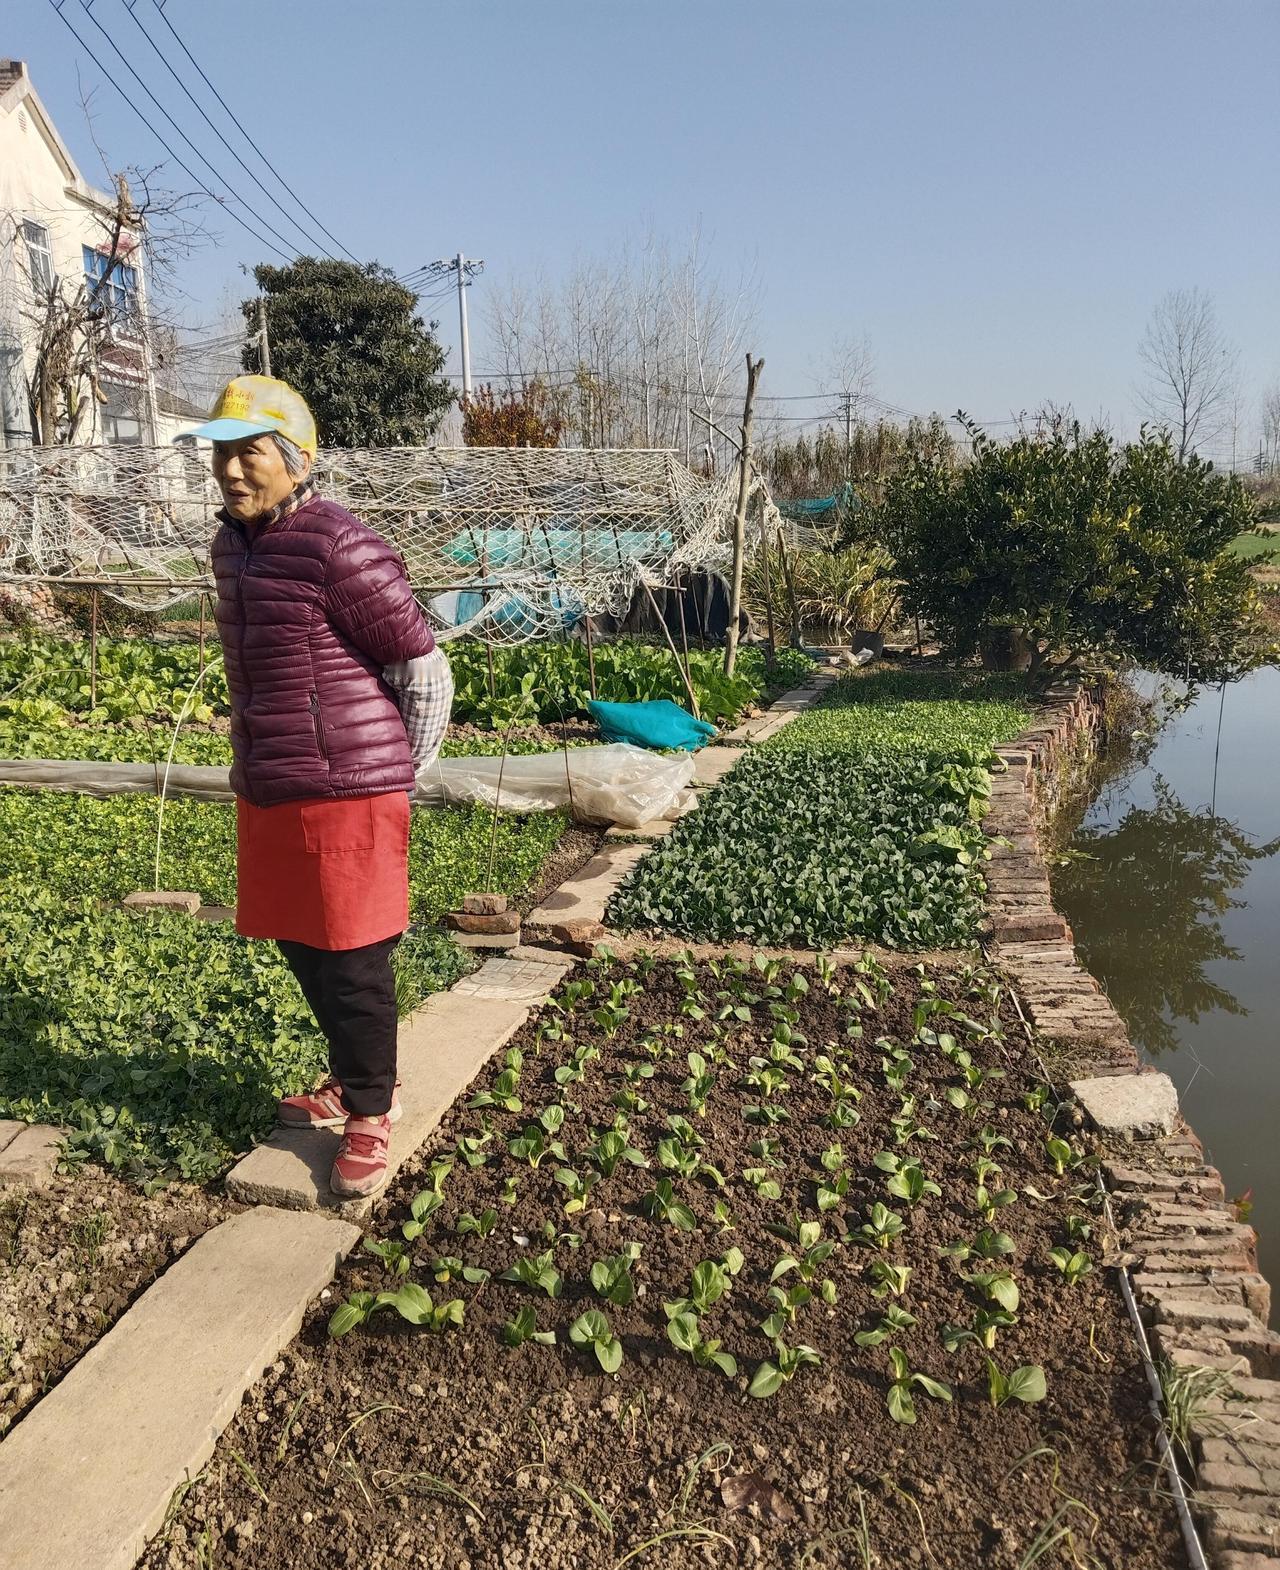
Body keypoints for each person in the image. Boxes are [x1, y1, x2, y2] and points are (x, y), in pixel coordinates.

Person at [179, 375, 452, 1198]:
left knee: (355, 957)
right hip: (274, 780)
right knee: (304, 943)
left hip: (351, 789)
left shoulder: (340, 544)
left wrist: (402, 772)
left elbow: (424, 670)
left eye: (248, 452)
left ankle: (372, 1108)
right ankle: (356, 1075)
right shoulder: (234, 545)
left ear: (295, 461)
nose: (230, 470)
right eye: (220, 452)